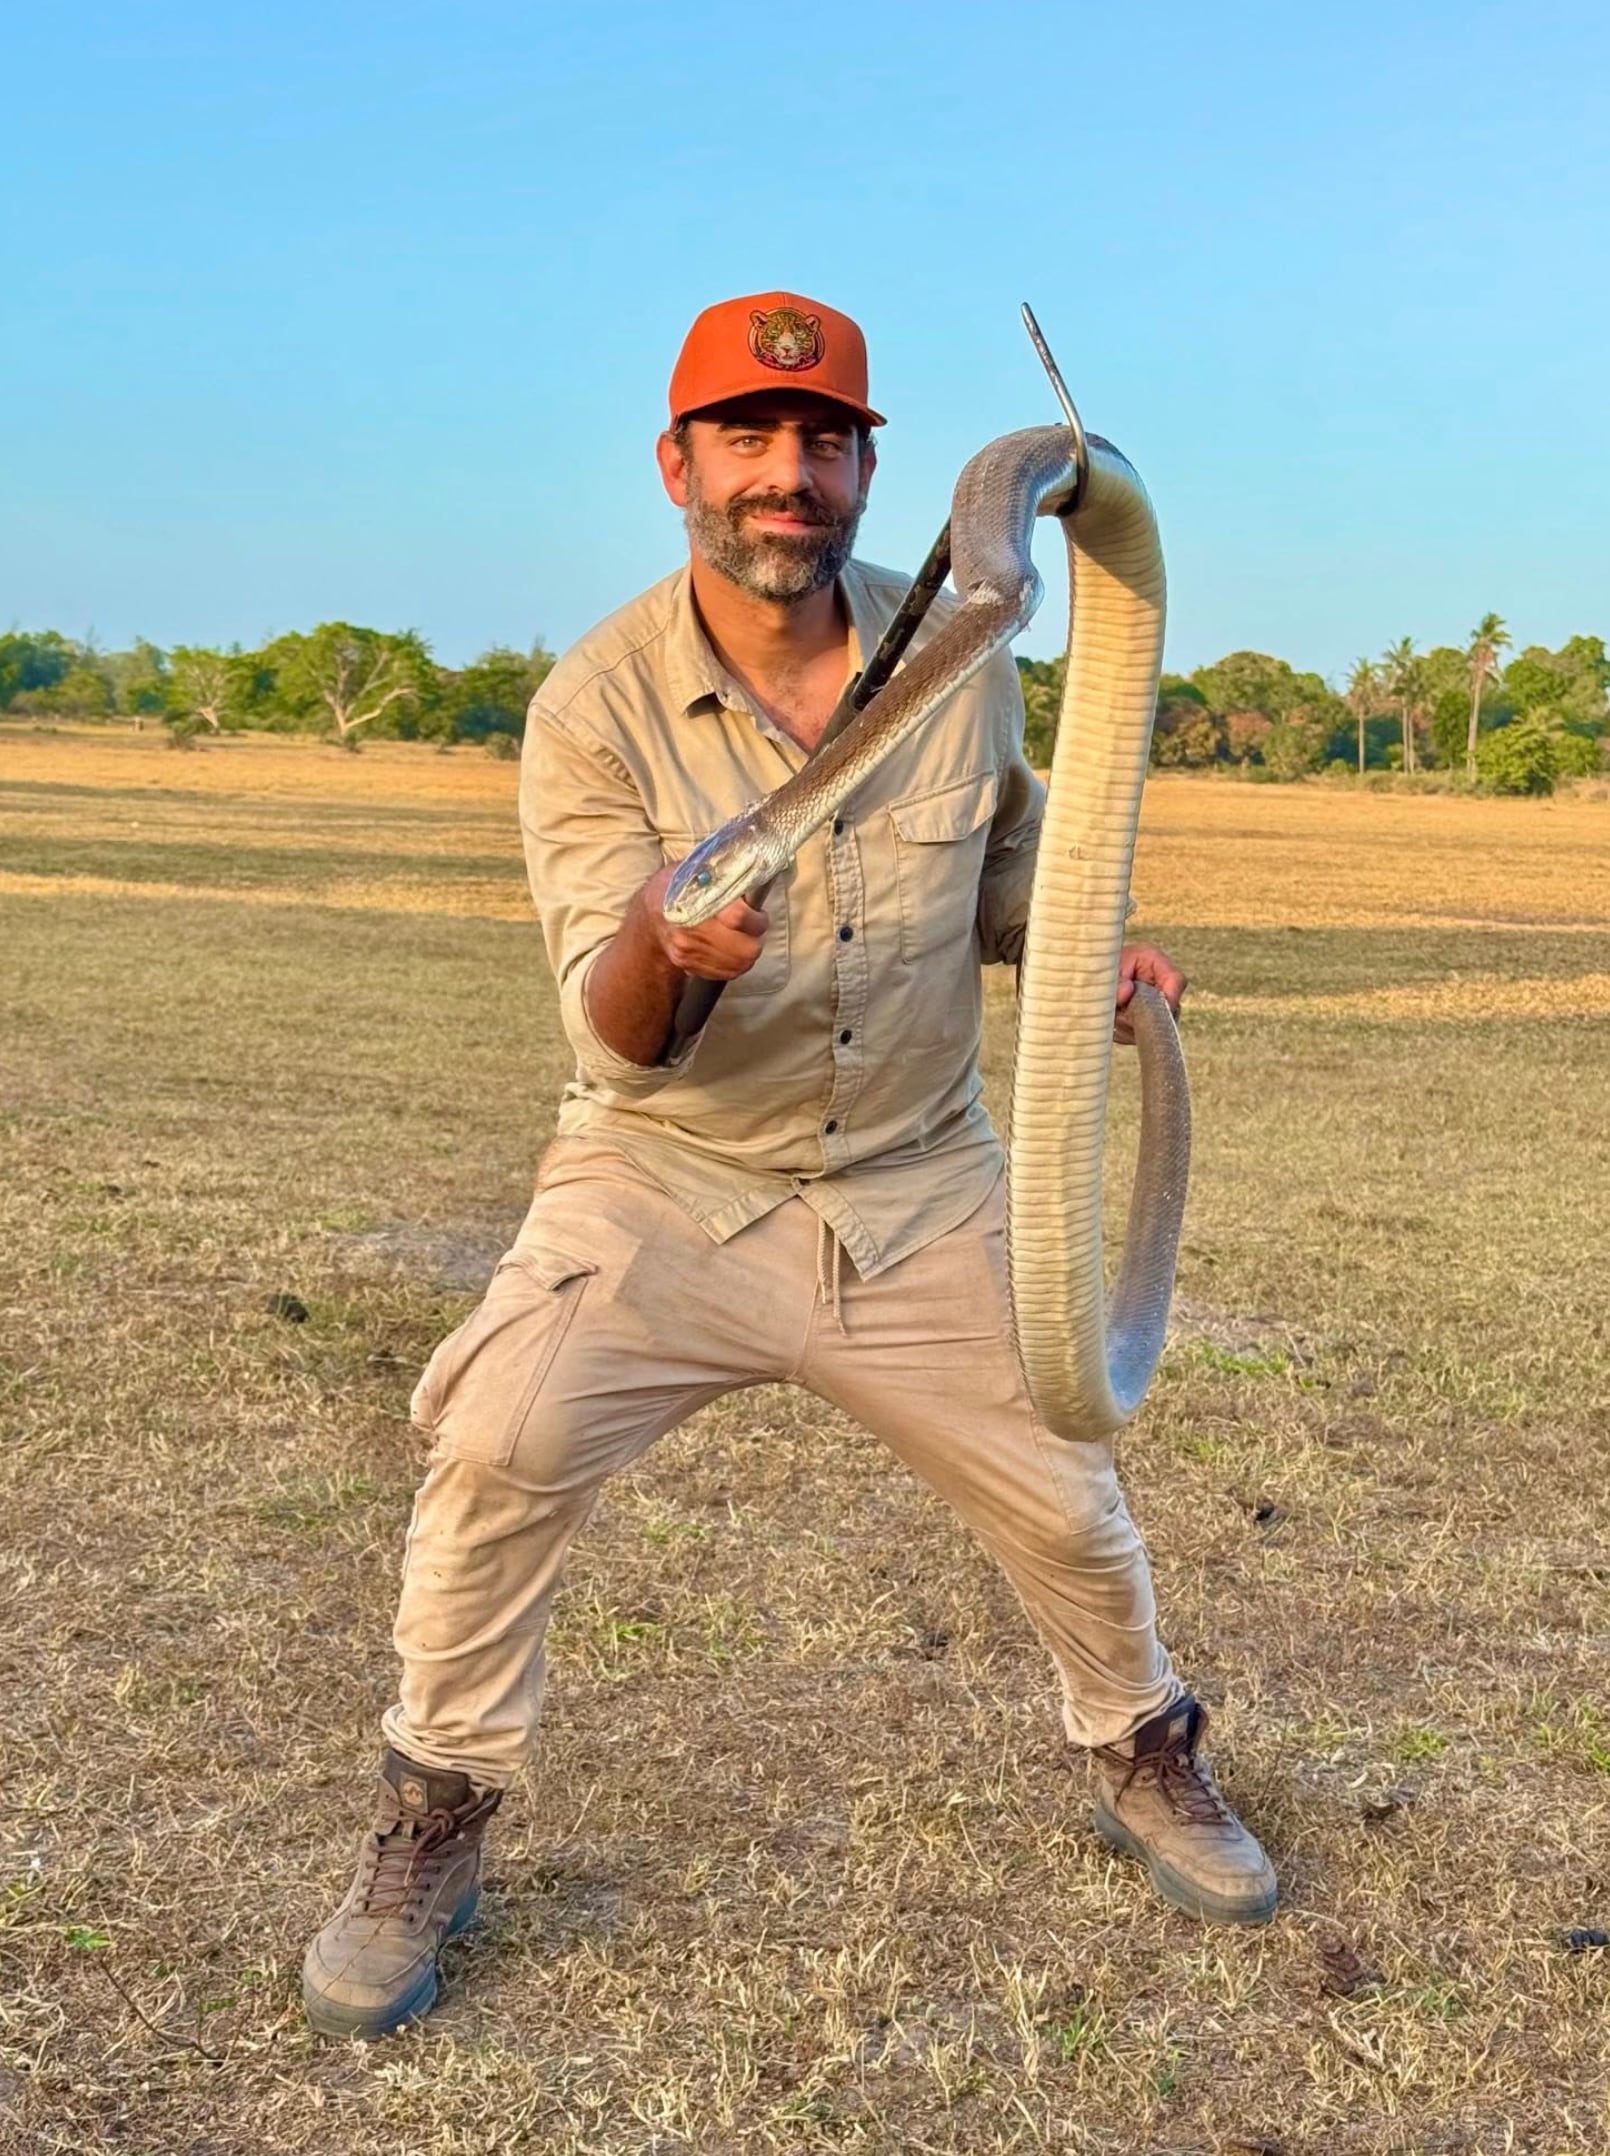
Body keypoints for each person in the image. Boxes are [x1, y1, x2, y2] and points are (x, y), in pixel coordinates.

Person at [302, 289, 1278, 2042]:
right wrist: (668, 951)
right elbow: (606, 1030)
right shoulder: (594, 708)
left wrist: (1100, 960)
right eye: (747, 438)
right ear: (677, 462)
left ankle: (1145, 1750)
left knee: (1068, 1492)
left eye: (822, 440)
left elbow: (1017, 889)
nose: (787, 474)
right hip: (669, 1176)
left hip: (917, 1177)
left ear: (863, 468)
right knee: (494, 1437)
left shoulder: (957, 651)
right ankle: (429, 1820)